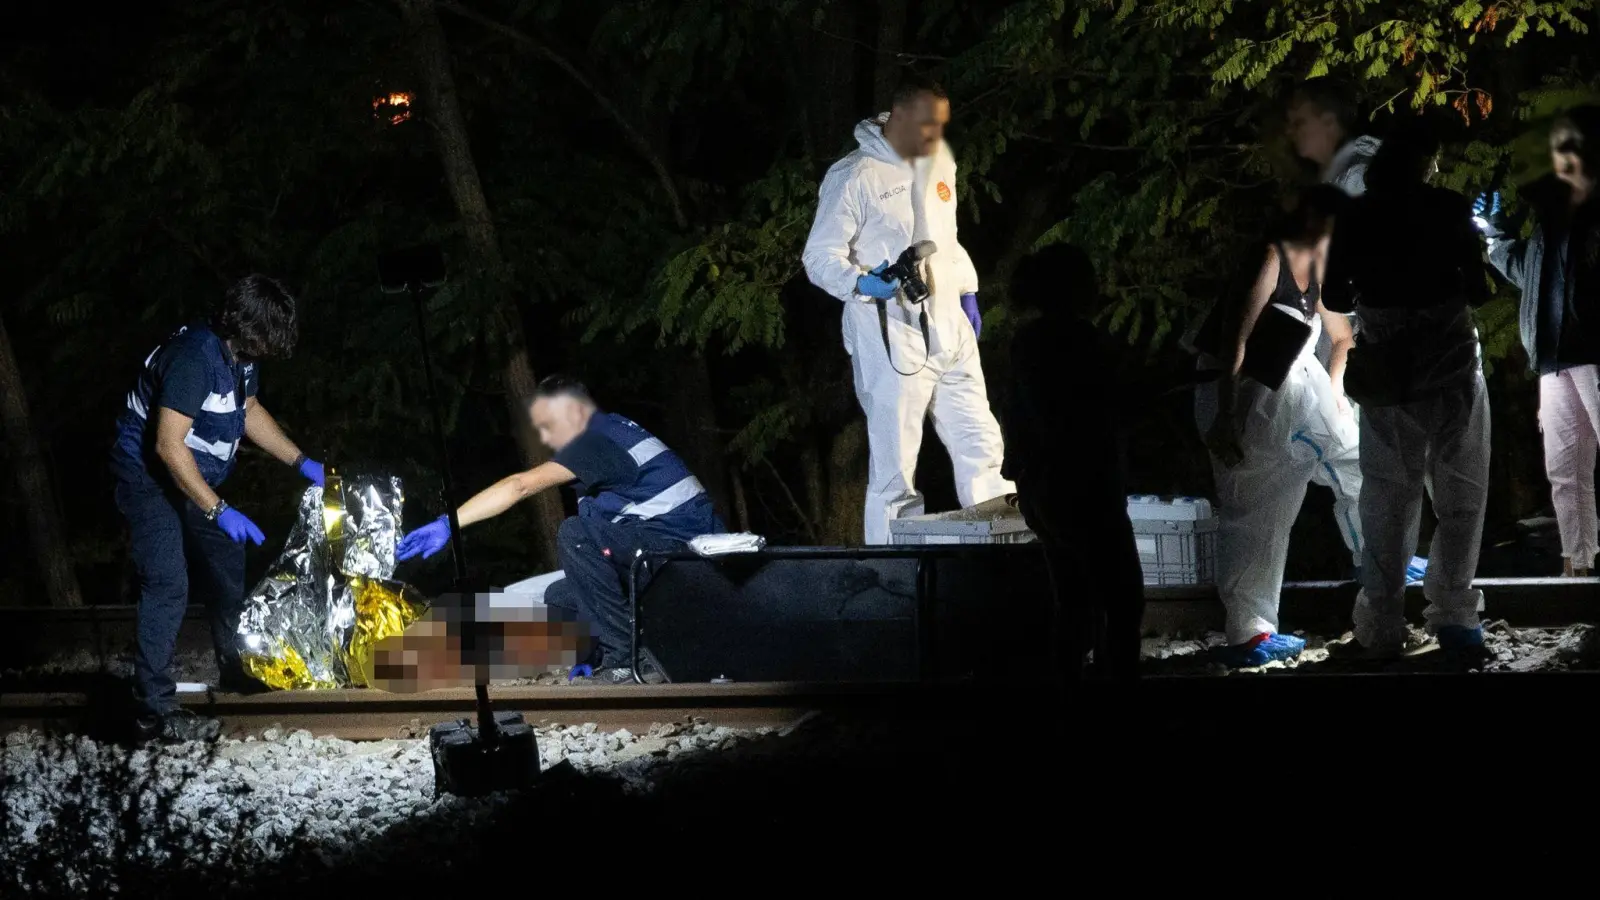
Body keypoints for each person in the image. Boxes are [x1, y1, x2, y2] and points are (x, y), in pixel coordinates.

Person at [396, 375, 725, 685]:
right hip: (662, 562)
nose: (545, 438)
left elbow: (519, 486)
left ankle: (625, 660)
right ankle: (615, 651)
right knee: (559, 594)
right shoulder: (604, 448)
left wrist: (448, 524)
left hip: (688, 566)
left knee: (576, 536)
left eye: (549, 425)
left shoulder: (598, 440)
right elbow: (602, 571)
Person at [111, 275, 324, 742]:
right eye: (269, 336)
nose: (272, 347)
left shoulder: (239, 359)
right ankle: (152, 711)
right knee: (168, 581)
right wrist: (217, 510)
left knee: (228, 562)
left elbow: (247, 409)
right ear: (247, 327)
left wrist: (302, 461)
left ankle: (235, 668)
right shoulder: (194, 359)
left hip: (195, 477)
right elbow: (168, 447)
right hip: (148, 477)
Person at [801, 76, 1013, 544]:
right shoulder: (854, 174)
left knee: (980, 439)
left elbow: (948, 236)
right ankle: (893, 568)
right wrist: (861, 283)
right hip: (889, 330)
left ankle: (1004, 545)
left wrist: (966, 290)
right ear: (896, 118)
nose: (934, 136)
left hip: (949, 327)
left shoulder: (939, 160)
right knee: (896, 462)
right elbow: (818, 257)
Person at [1323, 116, 1493, 661]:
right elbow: (1480, 290)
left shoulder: (1357, 215)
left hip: (1387, 370)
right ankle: (1455, 616)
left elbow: (1335, 294)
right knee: (1462, 495)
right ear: (1428, 160)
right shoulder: (1448, 207)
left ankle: (1382, 623)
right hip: (1450, 363)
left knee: (1386, 498)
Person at [1195, 186, 1363, 667]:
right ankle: (1248, 632)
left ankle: (1377, 559)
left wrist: (1334, 389)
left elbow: (1341, 336)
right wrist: (1226, 416)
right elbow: (1235, 339)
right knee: (1257, 507)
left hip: (1293, 389)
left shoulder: (1323, 271)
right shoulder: (1271, 256)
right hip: (1244, 394)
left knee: (1353, 456)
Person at [1001, 243, 1144, 684]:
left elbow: (1016, 413)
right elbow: (1113, 403)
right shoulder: (1084, 342)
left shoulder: (1025, 343)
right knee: (1122, 598)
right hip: (1088, 483)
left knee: (1073, 598)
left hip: (1045, 485)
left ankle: (1065, 694)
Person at [1483, 106, 1600, 577]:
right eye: (1558, 146)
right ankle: (1578, 564)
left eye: (1572, 145)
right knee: (1565, 468)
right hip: (1553, 357)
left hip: (1593, 353)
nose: (1562, 156)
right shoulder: (1548, 216)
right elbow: (1533, 280)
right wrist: (1494, 242)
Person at [1287, 80, 1383, 197]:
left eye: (1298, 123)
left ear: (1329, 122)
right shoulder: (1335, 174)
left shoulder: (1358, 175)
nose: (1290, 131)